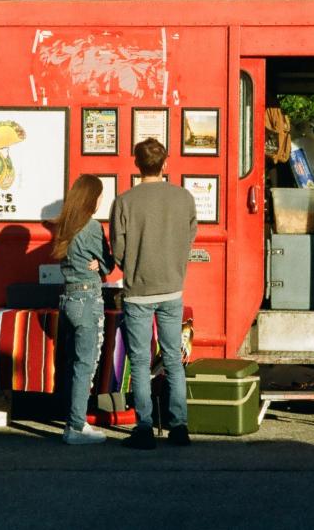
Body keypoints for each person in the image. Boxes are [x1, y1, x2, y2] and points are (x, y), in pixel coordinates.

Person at [111, 137, 198, 450]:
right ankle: (179, 427)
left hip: (137, 291)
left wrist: (133, 264)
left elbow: (117, 249)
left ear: (136, 164)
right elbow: (189, 238)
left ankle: (144, 427)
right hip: (172, 288)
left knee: (140, 360)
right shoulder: (183, 198)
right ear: (166, 163)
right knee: (173, 358)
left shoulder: (124, 201)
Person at [50, 174, 114, 445]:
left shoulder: (65, 224)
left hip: (66, 299)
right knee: (84, 365)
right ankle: (76, 427)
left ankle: (68, 419)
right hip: (87, 300)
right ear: (93, 198)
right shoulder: (91, 227)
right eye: (100, 195)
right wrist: (100, 266)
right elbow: (109, 264)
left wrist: (95, 264)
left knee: (69, 363)